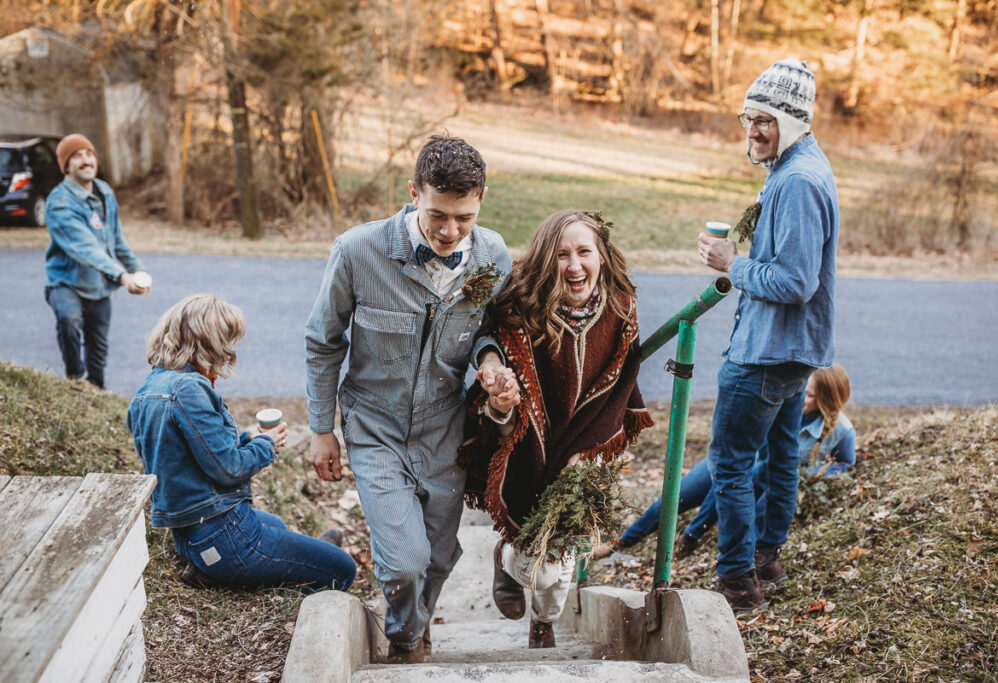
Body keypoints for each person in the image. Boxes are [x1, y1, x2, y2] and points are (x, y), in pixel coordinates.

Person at [304, 135, 514, 664]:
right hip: (372, 425)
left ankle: (417, 628)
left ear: (482, 198)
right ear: (412, 192)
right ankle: (405, 641)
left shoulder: (492, 256)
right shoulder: (357, 251)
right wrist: (321, 426)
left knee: (439, 557)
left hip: (444, 428)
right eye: (437, 214)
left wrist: (489, 362)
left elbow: (492, 331)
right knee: (404, 562)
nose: (449, 232)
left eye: (463, 218)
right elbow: (323, 340)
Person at [459, 209, 654, 648]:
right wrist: (503, 400)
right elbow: (500, 379)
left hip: (582, 455)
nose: (574, 265)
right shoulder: (521, 312)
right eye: (562, 255)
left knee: (563, 565)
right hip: (530, 449)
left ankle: (543, 623)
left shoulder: (620, 311)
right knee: (537, 565)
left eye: (585, 252)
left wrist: (587, 455)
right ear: (547, 261)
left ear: (602, 255)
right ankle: (507, 561)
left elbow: (619, 386)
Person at [695, 58, 839, 612]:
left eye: (765, 120)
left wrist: (733, 264)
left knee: (730, 463)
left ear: (793, 121)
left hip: (767, 350)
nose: (752, 130)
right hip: (794, 349)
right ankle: (766, 558)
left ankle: (736, 578)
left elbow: (797, 282)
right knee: (779, 453)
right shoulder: (799, 164)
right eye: (747, 118)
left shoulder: (798, 181)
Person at [127, 294, 356, 592]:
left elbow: (192, 455)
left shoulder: (150, 388)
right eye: (228, 340)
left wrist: (251, 438)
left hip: (190, 535)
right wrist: (265, 446)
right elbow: (229, 469)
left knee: (276, 524)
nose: (230, 350)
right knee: (343, 568)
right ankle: (307, 573)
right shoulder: (189, 390)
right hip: (221, 534)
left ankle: (296, 558)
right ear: (210, 342)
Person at [593, 365, 856, 561]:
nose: (799, 399)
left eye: (808, 396)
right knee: (676, 496)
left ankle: (691, 536)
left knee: (736, 482)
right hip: (732, 458)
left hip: (754, 472)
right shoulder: (778, 403)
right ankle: (623, 540)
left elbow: (845, 463)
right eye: (801, 391)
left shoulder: (841, 430)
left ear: (827, 400)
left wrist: (813, 473)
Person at [44, 133, 151, 390]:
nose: (85, 160)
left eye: (89, 154)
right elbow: (86, 248)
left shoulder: (104, 192)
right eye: (77, 156)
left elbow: (116, 239)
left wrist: (137, 270)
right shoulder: (59, 203)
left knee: (99, 345)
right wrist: (122, 277)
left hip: (100, 285)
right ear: (66, 165)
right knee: (69, 321)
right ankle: (75, 379)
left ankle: (97, 388)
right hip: (66, 282)